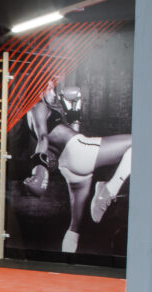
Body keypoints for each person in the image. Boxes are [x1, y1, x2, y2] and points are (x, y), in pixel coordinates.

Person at [24, 81, 132, 253]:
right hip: (78, 149)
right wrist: (39, 169)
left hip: (68, 164)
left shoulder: (38, 112)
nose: (53, 93)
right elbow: (43, 138)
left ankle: (66, 262)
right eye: (50, 89)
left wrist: (73, 112)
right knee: (136, 142)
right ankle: (109, 190)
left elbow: (70, 132)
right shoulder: (37, 107)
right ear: (40, 90)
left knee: (75, 228)